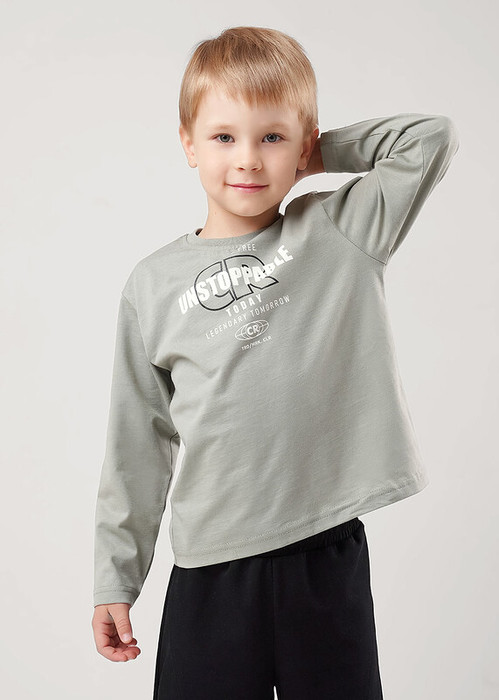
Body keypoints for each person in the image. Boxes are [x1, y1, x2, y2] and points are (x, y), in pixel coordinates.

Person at [91, 25, 459, 699]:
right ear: (187, 143)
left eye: (271, 138)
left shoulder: (339, 230)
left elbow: (430, 139)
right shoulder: (152, 285)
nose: (248, 159)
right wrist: (117, 577)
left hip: (322, 555)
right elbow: (136, 442)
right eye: (224, 136)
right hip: (211, 570)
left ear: (302, 144)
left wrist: (319, 153)